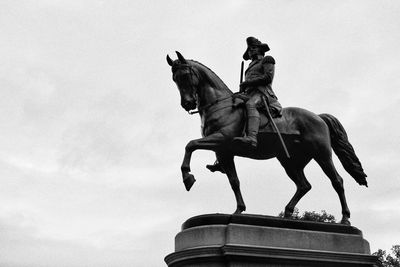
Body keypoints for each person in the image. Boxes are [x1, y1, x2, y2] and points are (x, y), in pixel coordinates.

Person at [206, 37, 282, 173]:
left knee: (250, 105)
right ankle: (221, 158)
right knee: (231, 108)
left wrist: (247, 83)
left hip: (263, 94)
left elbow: (267, 78)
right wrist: (241, 91)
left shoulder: (267, 60)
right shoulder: (250, 66)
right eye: (249, 49)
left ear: (260, 49)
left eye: (253, 48)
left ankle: (252, 138)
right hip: (250, 94)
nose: (251, 50)